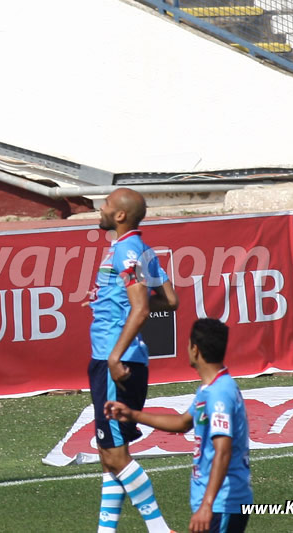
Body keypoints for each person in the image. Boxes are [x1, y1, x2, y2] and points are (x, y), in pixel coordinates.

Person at [85, 188, 179, 533]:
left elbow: (140, 308)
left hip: (116, 359)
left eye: (107, 204)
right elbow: (170, 300)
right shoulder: (143, 249)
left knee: (114, 455)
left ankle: (158, 527)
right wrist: (108, 302)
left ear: (120, 216)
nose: (102, 207)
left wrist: (113, 355)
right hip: (129, 357)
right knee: (109, 452)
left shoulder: (126, 250)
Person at [105, 318, 252, 533]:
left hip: (223, 505)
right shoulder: (209, 389)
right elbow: (183, 423)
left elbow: (223, 451)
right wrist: (132, 414)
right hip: (216, 505)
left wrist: (207, 505)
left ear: (195, 349)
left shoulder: (219, 394)